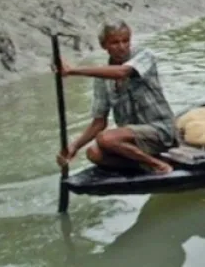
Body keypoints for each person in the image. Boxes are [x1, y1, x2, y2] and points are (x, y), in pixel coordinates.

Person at [54, 20, 176, 175]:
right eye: (115, 43)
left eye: (126, 41)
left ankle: (157, 165)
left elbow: (122, 72)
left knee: (105, 139)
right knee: (93, 153)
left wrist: (73, 71)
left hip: (160, 131)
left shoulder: (145, 56)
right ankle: (145, 163)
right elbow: (99, 122)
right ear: (104, 46)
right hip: (132, 140)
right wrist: (74, 147)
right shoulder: (102, 78)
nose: (122, 47)